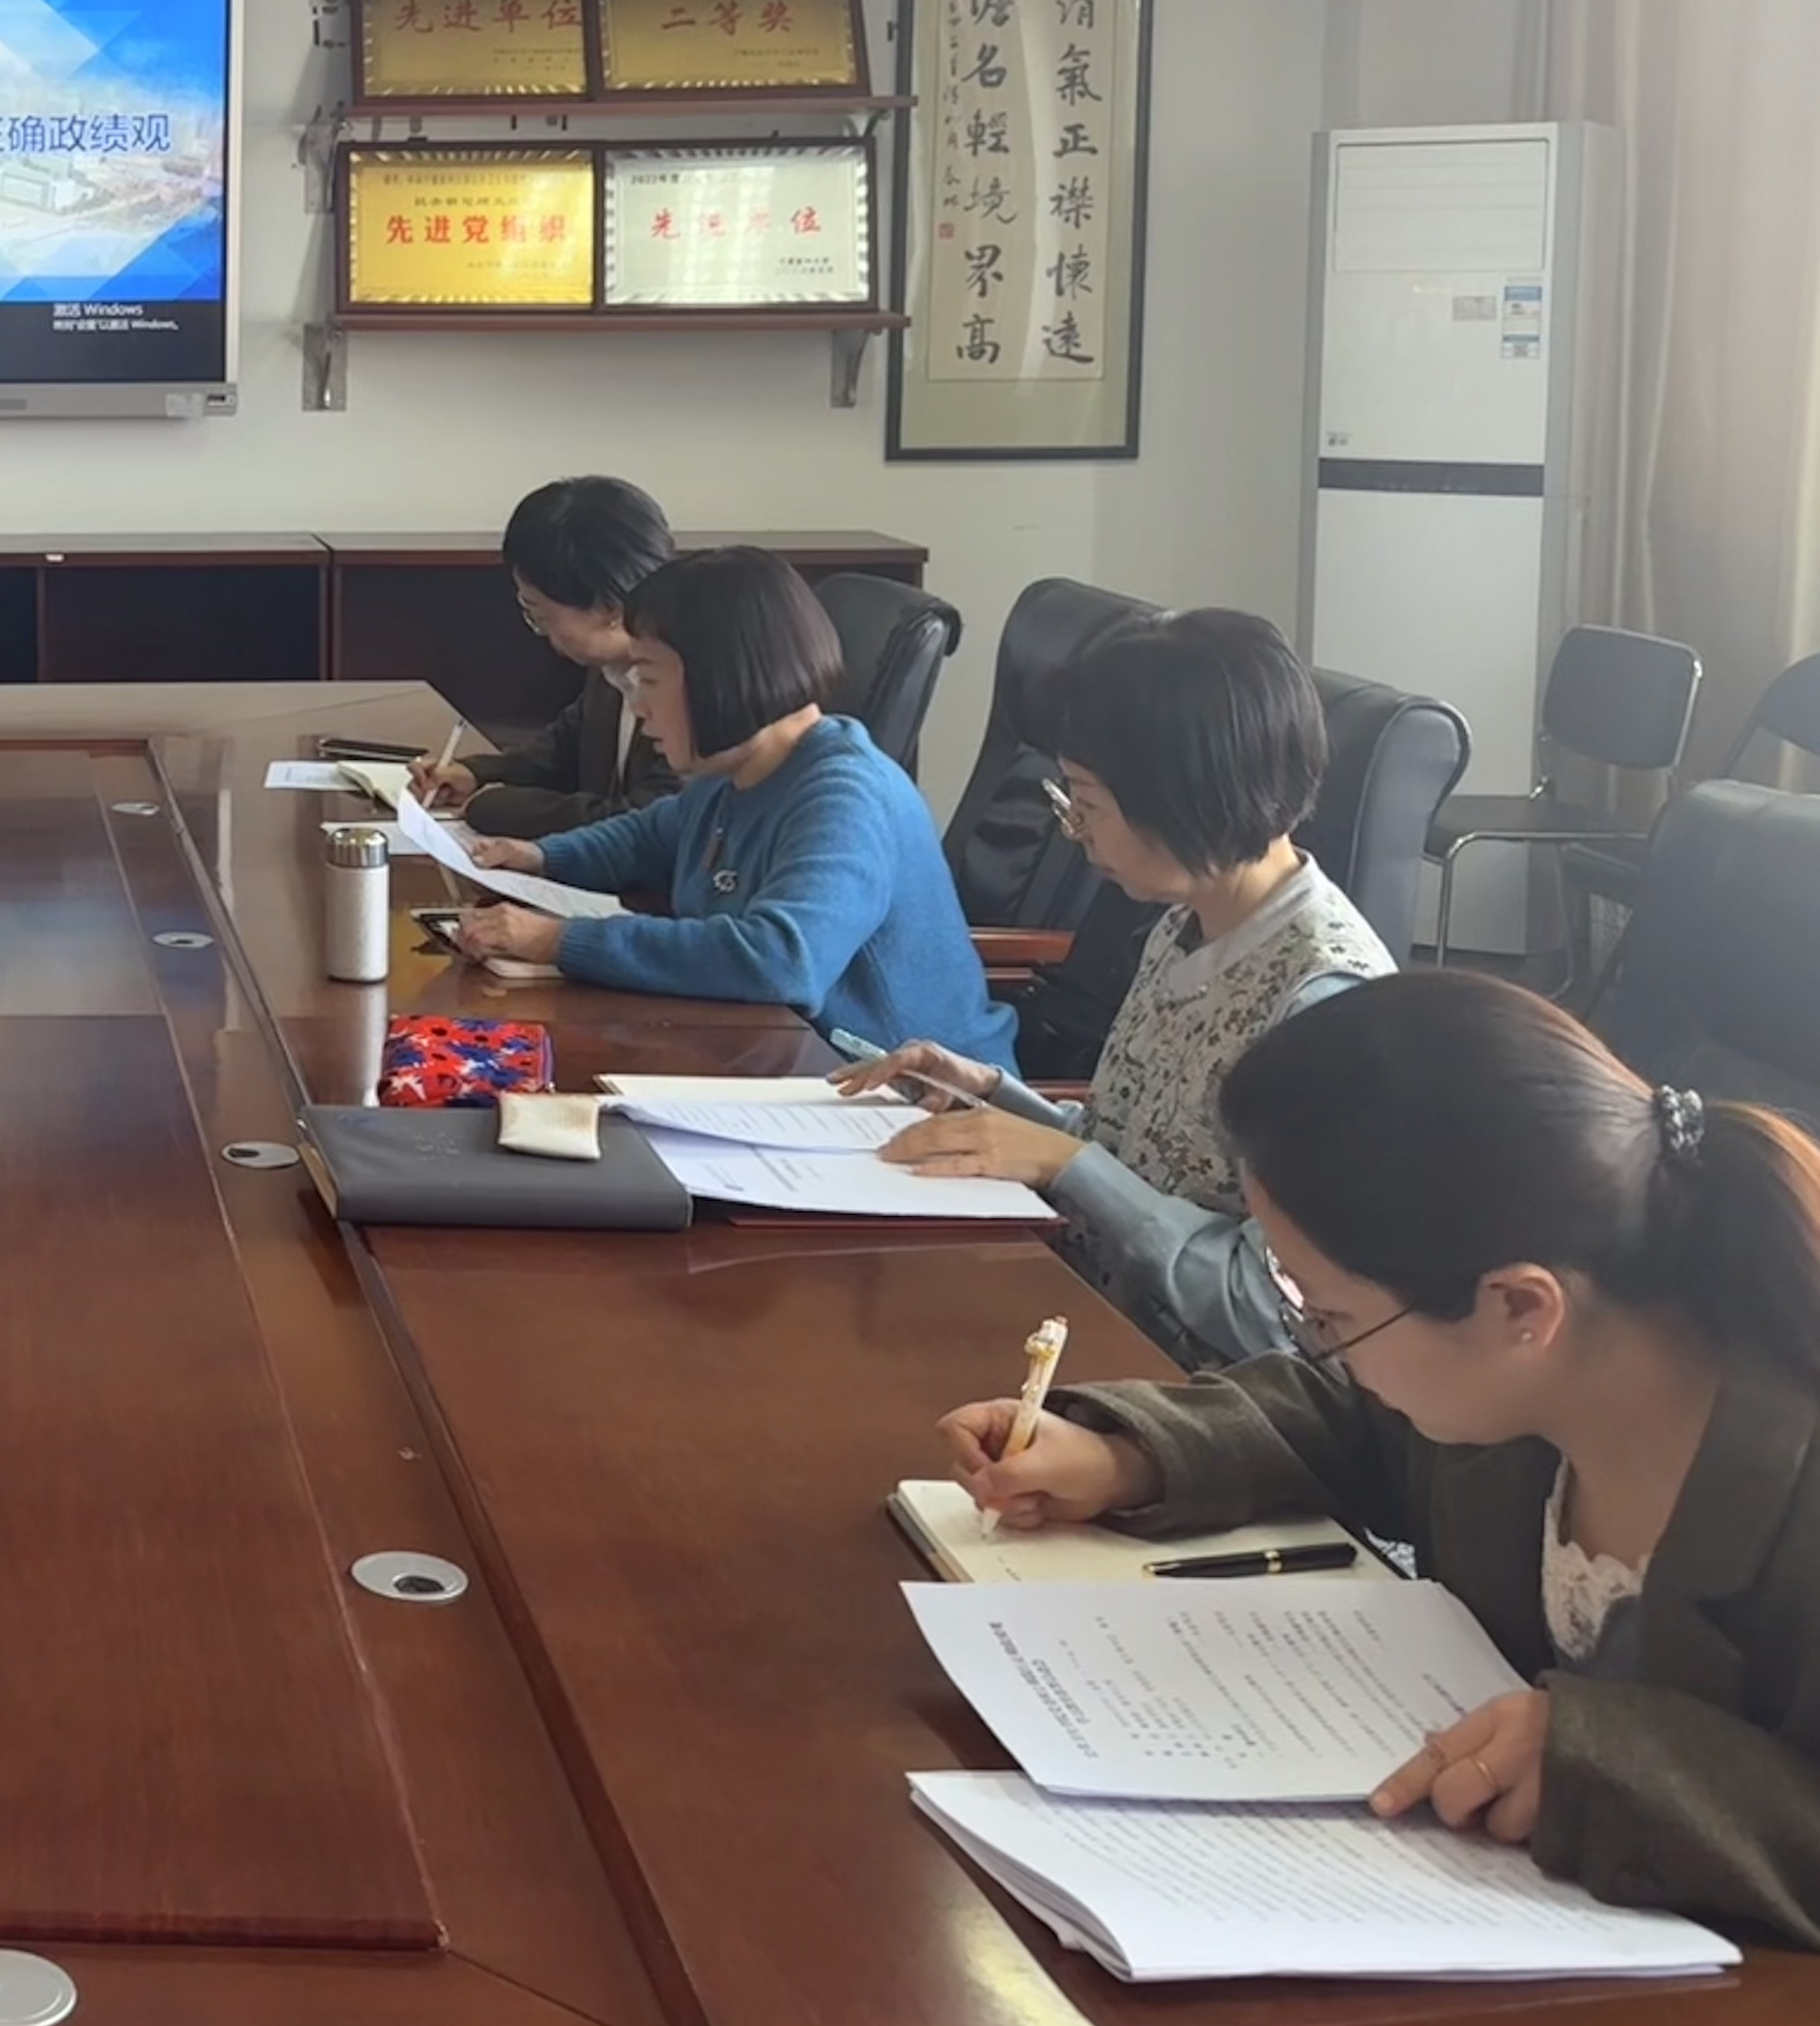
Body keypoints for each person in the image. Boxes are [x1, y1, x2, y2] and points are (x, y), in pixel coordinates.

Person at [945, 972, 1820, 1946]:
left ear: (1519, 1306)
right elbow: (1356, 1421)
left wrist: (1607, 1761)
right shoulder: (1537, 1385)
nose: (1322, 1346)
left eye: (1329, 1316)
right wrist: (1129, 1457)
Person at [850, 610, 1395, 1362]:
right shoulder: (1187, 920)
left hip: (1189, 1391)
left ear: (1183, 796)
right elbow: (1139, 1152)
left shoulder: (1326, 1005)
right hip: (1078, 1313)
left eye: (1088, 805)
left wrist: (1066, 1165)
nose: (1074, 831)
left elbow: (1273, 1312)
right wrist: (996, 1098)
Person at [458, 547, 1015, 1068]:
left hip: (909, 1097)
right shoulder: (736, 772)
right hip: (784, 1060)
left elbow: (782, 960)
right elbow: (651, 837)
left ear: (718, 677)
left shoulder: (845, 795)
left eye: (649, 677)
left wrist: (557, 940)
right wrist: (540, 856)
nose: (639, 704)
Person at [412, 476, 681, 838]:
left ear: (610, 607)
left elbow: (644, 821)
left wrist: (496, 808)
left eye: (539, 614)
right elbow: (563, 749)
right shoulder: (612, 666)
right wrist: (478, 773)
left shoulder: (693, 683)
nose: (539, 631)